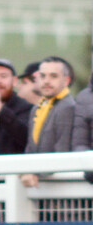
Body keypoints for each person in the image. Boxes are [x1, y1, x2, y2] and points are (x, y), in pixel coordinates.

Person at [21, 57, 76, 188]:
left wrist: (35, 173)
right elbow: (30, 148)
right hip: (40, 185)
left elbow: (62, 152)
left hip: (59, 187)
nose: (46, 81)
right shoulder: (37, 108)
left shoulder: (68, 107)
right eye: (43, 76)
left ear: (66, 80)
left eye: (53, 76)